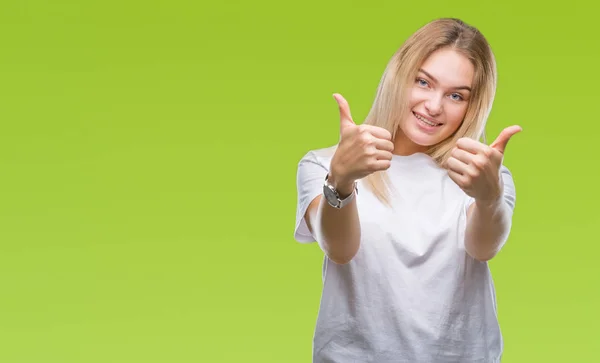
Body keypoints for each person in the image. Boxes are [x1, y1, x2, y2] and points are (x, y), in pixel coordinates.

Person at [293, 18, 521, 363]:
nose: (434, 106)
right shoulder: (323, 165)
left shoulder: (482, 176)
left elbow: (484, 246)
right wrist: (340, 181)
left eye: (456, 95)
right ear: (399, 76)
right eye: (423, 82)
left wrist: (489, 197)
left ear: (472, 106)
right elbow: (339, 249)